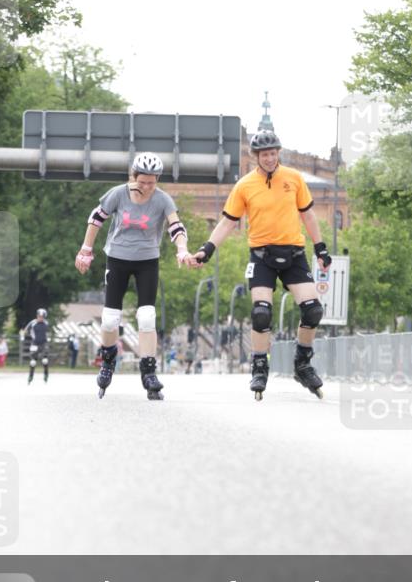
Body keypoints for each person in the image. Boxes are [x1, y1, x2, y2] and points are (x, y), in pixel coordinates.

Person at [185, 129, 332, 401]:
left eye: (273, 153)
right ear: (256, 157)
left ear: (278, 153)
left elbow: (309, 216)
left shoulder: (294, 179)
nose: (269, 158)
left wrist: (320, 247)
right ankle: (259, 366)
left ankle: (302, 363)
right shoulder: (244, 186)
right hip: (262, 256)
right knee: (261, 313)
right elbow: (228, 221)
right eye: (265, 155)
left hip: (294, 254)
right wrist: (206, 250)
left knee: (312, 310)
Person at [74, 151, 191, 400]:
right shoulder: (118, 194)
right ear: (133, 176)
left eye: (152, 182)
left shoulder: (162, 200)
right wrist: (86, 249)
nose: (147, 187)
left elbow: (176, 226)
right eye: (142, 181)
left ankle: (148, 371)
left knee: (147, 316)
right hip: (117, 258)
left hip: (147, 261)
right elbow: (96, 219)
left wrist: (182, 249)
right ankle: (107, 361)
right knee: (109, 318)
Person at [23, 309, 49, 383]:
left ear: (44, 317)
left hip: (44, 343)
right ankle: (30, 376)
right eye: (39, 316)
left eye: (42, 317)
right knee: (33, 362)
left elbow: (47, 333)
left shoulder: (46, 323)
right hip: (35, 343)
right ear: (37, 315)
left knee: (45, 360)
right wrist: (22, 335)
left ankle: (46, 375)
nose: (40, 318)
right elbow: (25, 330)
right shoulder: (32, 323)